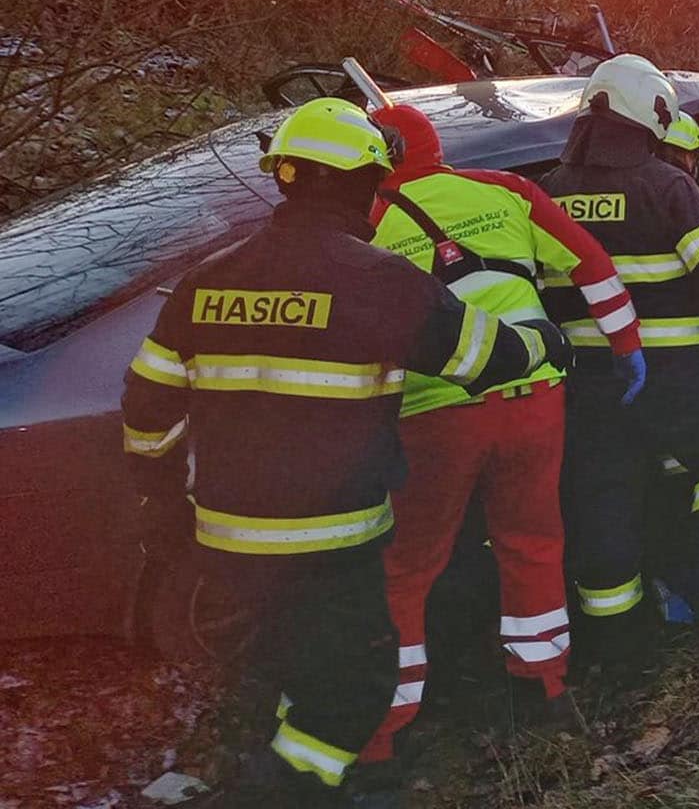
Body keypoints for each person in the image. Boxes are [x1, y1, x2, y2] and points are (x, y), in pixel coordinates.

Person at [121, 99, 565, 806]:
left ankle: (291, 765)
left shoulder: (208, 281)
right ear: (364, 183)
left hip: (229, 538)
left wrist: (166, 499)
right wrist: (547, 339)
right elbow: (487, 358)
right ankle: (293, 792)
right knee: (357, 683)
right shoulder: (378, 280)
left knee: (290, 662)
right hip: (333, 538)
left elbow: (147, 407)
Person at [350, 103, 644, 767]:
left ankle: (386, 726)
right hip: (533, 396)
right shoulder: (506, 190)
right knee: (532, 541)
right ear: (435, 146)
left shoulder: (367, 224)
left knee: (406, 567)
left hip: (433, 412)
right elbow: (592, 266)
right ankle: (544, 683)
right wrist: (626, 346)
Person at [538, 55, 699, 625]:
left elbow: (543, 291)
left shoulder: (547, 193)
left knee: (606, 498)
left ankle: (619, 635)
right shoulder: (666, 184)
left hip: (591, 384)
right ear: (652, 112)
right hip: (678, 373)